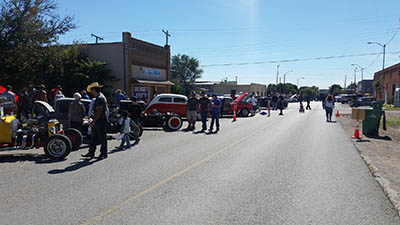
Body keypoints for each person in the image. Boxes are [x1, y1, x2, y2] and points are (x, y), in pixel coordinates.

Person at [82, 82, 109, 159]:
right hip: (99, 120)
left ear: (94, 90)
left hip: (100, 120)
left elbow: (99, 111)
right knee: (94, 137)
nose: (91, 92)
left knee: (102, 137)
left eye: (91, 90)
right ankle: (91, 152)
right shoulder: (99, 97)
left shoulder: (100, 98)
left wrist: (93, 121)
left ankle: (103, 153)